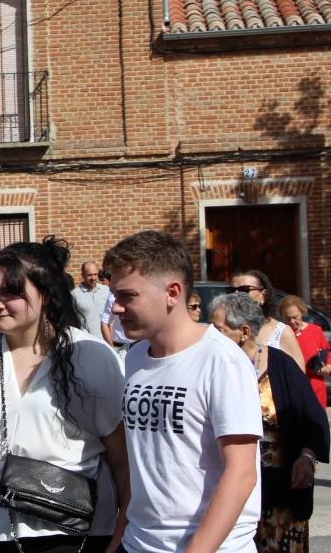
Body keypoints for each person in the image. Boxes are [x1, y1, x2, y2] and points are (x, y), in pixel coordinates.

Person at [0, 238, 130, 553]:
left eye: (10, 292)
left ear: (46, 292)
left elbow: (123, 463)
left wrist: (119, 539)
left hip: (78, 537)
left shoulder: (91, 355)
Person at [103, 230, 262, 552]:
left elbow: (242, 472)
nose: (116, 308)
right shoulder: (135, 357)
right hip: (139, 542)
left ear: (172, 292)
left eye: (127, 296)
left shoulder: (221, 360)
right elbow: (143, 462)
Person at [208, 293, 330, 552]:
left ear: (243, 331)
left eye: (218, 329)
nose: (210, 335)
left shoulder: (280, 364)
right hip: (227, 489)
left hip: (278, 490)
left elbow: (313, 418)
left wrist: (307, 456)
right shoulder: (210, 365)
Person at [230, 270, 304, 369]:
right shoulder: (224, 329)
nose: (236, 295)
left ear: (263, 295)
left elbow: (297, 376)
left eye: (244, 290)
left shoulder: (281, 332)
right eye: (231, 290)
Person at [279, 294, 331, 406]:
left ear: (302, 312)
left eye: (295, 317)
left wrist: (328, 366)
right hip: (293, 387)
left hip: (315, 384)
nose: (292, 321)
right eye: (288, 318)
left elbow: (327, 351)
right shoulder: (280, 334)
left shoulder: (315, 330)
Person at [70, 261, 110, 337]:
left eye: (95, 274)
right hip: (89, 340)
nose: (93, 278)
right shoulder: (74, 294)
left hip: (110, 339)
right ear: (83, 275)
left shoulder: (106, 290)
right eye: (89, 275)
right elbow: (73, 321)